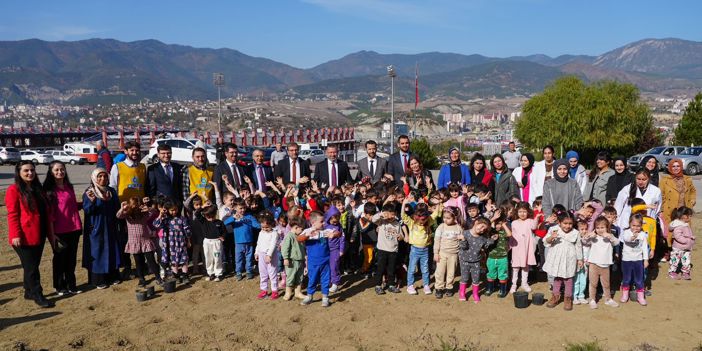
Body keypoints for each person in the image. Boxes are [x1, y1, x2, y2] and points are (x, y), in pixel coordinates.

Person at [6, 161, 56, 307]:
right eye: (26, 171)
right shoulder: (13, 190)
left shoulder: (37, 188)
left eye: (32, 170)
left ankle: (28, 291)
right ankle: (37, 294)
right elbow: (13, 214)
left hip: (38, 233)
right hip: (23, 236)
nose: (30, 173)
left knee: (31, 265)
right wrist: (15, 234)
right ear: (19, 173)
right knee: (32, 267)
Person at [43, 161, 82, 296]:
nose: (60, 172)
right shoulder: (49, 191)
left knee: (71, 259)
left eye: (62, 169)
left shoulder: (68, 186)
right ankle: (60, 286)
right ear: (51, 172)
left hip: (74, 228)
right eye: (57, 170)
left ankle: (72, 285)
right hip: (59, 230)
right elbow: (50, 214)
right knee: (60, 260)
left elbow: (71, 205)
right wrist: (52, 234)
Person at [109, 141, 146, 279]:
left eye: (137, 150)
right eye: (132, 150)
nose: (135, 153)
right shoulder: (117, 167)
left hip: (139, 211)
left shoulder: (143, 167)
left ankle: (142, 266)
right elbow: (112, 188)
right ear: (126, 151)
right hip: (124, 211)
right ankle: (127, 267)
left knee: (141, 238)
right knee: (124, 240)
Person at [83, 168, 121, 289]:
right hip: (96, 227)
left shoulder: (111, 192)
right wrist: (92, 202)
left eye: (105, 176)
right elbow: (87, 210)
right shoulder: (90, 192)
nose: (103, 179)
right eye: (99, 177)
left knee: (111, 250)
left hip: (110, 226)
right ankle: (98, 279)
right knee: (97, 252)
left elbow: (116, 208)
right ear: (94, 178)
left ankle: (112, 276)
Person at [116, 196, 162, 287]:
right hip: (134, 242)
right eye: (133, 204)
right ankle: (141, 278)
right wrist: (122, 208)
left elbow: (154, 212)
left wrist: (148, 208)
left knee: (151, 260)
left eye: (137, 204)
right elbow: (118, 215)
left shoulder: (144, 214)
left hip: (146, 241)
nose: (135, 206)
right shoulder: (127, 215)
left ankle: (158, 277)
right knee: (138, 261)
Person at [299, 211, 341, 307]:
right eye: (321, 221)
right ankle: (309, 296)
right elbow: (299, 239)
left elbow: (338, 233)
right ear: (313, 223)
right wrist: (307, 235)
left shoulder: (325, 231)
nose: (324, 223)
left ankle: (325, 297)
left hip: (325, 261)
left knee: (325, 280)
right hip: (313, 262)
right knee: (312, 279)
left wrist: (333, 235)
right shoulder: (308, 231)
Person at [543, 211, 583, 311]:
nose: (568, 226)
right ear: (559, 222)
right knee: (557, 278)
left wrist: (580, 259)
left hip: (570, 259)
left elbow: (578, 246)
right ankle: (555, 296)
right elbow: (545, 242)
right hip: (557, 258)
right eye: (565, 223)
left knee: (568, 279)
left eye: (570, 223)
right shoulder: (553, 230)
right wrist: (551, 237)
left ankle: (568, 298)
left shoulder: (575, 233)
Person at [401, 196, 439, 295]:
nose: (423, 223)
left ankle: (426, 285)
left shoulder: (428, 220)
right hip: (414, 249)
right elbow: (403, 216)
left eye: (425, 220)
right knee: (412, 268)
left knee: (425, 268)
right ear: (416, 217)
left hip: (425, 249)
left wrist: (438, 203)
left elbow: (435, 214)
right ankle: (410, 286)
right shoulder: (412, 223)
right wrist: (404, 204)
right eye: (421, 220)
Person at [581, 216, 620, 309]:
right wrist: (588, 236)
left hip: (605, 265)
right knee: (593, 283)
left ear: (607, 227)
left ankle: (608, 299)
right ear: (595, 228)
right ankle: (592, 299)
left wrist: (610, 237)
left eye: (602, 227)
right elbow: (584, 241)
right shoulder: (594, 237)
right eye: (597, 228)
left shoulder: (610, 236)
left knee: (606, 284)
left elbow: (617, 243)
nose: (600, 230)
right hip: (593, 264)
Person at [457, 217, 497, 303]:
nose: (482, 230)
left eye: (484, 229)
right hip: (464, 260)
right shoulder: (465, 233)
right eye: (481, 226)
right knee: (464, 278)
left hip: (476, 261)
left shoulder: (482, 237)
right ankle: (462, 293)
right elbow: (463, 247)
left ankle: (475, 294)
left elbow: (485, 246)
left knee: (476, 278)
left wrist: (492, 240)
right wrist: (463, 239)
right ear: (476, 222)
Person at [154, 200, 191, 283]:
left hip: (181, 242)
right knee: (174, 260)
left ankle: (185, 276)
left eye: (175, 209)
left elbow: (187, 231)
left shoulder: (182, 219)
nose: (174, 212)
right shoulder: (165, 220)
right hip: (171, 244)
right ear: (167, 210)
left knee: (184, 259)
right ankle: (176, 276)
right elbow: (156, 224)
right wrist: (161, 214)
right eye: (172, 210)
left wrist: (188, 241)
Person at [372, 203, 403, 295]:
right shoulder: (381, 222)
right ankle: (378, 285)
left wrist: (400, 237)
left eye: (392, 215)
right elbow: (374, 219)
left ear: (395, 214)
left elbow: (401, 235)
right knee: (380, 269)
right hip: (382, 250)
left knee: (391, 269)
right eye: (388, 215)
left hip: (393, 251)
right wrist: (381, 214)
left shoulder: (397, 224)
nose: (390, 217)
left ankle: (391, 285)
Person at [432, 206, 463, 299]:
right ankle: (438, 288)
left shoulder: (458, 228)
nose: (445, 220)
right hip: (442, 253)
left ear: (454, 218)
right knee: (440, 272)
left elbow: (462, 242)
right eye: (444, 217)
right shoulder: (441, 227)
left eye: (448, 218)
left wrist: (462, 238)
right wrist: (436, 253)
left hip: (454, 254)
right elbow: (436, 240)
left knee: (451, 272)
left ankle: (449, 287)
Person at [619, 214, 649, 306]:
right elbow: (626, 239)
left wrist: (645, 259)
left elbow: (644, 248)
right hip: (627, 260)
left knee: (639, 279)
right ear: (630, 224)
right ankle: (625, 295)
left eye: (638, 226)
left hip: (638, 260)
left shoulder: (643, 234)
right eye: (633, 225)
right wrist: (632, 237)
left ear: (641, 226)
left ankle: (641, 296)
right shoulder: (626, 232)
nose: (635, 228)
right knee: (626, 279)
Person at [509, 201, 537, 293]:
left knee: (525, 267)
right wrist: (509, 247)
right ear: (517, 212)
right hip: (516, 248)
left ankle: (524, 283)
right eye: (520, 211)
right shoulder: (513, 223)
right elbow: (511, 236)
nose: (522, 214)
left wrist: (537, 217)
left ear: (528, 212)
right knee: (515, 267)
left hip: (526, 248)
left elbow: (534, 226)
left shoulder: (530, 221)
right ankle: (514, 284)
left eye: (524, 211)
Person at [659, 159, 696, 228]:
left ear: (681, 166)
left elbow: (692, 191)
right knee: (670, 232)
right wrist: (663, 209)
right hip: (670, 211)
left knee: (684, 232)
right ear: (670, 167)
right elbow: (661, 196)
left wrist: (692, 200)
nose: (676, 168)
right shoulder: (665, 180)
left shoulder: (687, 179)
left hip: (684, 210)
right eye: (673, 166)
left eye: (678, 166)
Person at [230, 200, 261, 280]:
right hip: (238, 243)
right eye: (240, 208)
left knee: (249, 257)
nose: (242, 210)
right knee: (238, 258)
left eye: (244, 208)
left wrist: (264, 225)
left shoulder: (249, 216)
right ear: (235, 208)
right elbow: (225, 222)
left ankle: (249, 271)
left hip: (249, 241)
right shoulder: (233, 217)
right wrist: (233, 218)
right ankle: (238, 272)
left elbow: (256, 225)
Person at [255, 212, 281, 300]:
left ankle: (274, 290)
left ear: (272, 224)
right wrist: (256, 252)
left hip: (271, 255)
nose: (264, 229)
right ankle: (264, 290)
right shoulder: (261, 232)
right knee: (263, 273)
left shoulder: (274, 233)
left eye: (267, 227)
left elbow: (273, 245)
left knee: (272, 273)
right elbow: (258, 243)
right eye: (263, 227)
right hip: (261, 254)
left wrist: (269, 255)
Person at [197, 205, 226, 282]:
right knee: (208, 258)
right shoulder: (203, 221)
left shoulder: (219, 222)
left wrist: (222, 237)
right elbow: (197, 213)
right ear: (205, 215)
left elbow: (224, 231)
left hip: (216, 242)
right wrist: (202, 207)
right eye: (208, 216)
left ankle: (218, 274)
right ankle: (210, 273)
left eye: (212, 215)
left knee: (217, 258)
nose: (210, 218)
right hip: (207, 242)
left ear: (215, 214)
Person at [281, 217, 307, 301]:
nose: (302, 231)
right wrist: (286, 258)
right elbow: (285, 248)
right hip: (292, 261)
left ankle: (298, 292)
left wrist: (304, 256)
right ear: (296, 227)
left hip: (300, 260)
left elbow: (302, 248)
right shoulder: (289, 236)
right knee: (291, 277)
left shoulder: (299, 236)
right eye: (301, 229)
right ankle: (288, 292)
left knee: (299, 277)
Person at [486, 216, 512, 298]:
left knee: (502, 275)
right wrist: (493, 219)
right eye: (497, 224)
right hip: (491, 258)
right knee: (491, 274)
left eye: (500, 224)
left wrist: (504, 225)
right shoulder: (490, 232)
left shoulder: (503, 233)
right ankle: (490, 289)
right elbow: (486, 226)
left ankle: (502, 291)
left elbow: (510, 234)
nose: (498, 226)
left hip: (503, 258)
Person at [668, 206, 695, 280]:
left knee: (686, 260)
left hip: (686, 247)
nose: (690, 217)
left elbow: (686, 234)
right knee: (675, 259)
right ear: (684, 216)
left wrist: (691, 238)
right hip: (678, 247)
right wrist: (687, 241)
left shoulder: (685, 224)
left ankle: (685, 272)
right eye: (689, 216)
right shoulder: (678, 225)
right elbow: (677, 236)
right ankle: (672, 271)